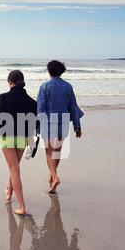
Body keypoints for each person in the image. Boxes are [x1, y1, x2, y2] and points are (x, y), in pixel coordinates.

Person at [0, 70, 37, 216]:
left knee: (14, 169)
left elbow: (0, 118)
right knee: (14, 168)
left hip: (8, 137)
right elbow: (34, 122)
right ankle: (9, 192)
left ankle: (22, 207)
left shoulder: (3, 97)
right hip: (23, 137)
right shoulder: (32, 102)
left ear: (9, 82)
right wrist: (31, 141)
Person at [37, 60, 84, 194]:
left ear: (49, 72)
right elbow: (73, 107)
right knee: (57, 151)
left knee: (48, 152)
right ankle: (53, 175)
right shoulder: (68, 87)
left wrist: (38, 127)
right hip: (63, 120)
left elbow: (40, 108)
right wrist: (77, 127)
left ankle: (55, 176)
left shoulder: (44, 86)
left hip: (49, 120)